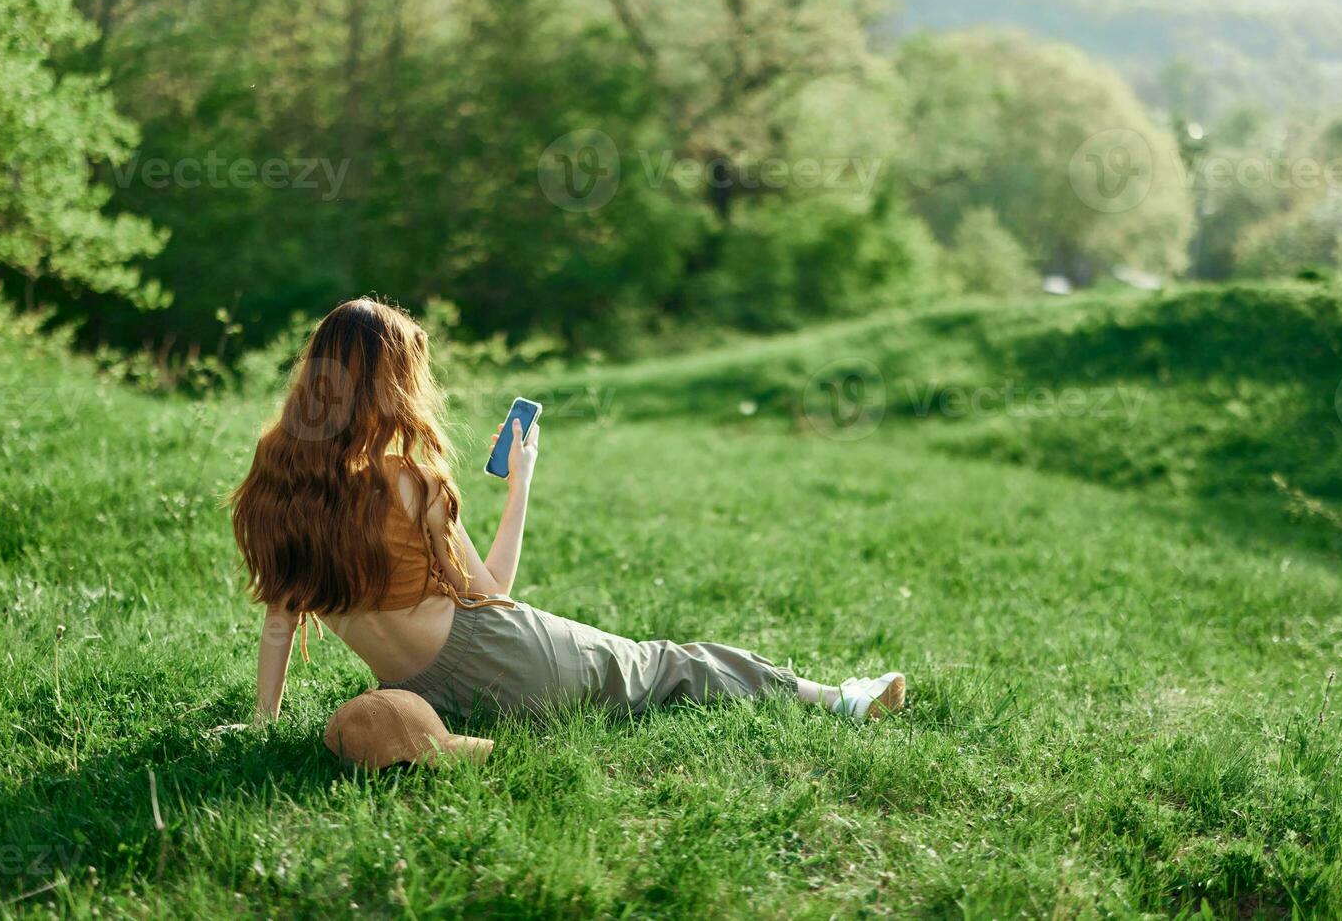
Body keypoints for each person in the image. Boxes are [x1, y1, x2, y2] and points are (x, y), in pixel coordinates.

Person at [230, 297, 906, 727]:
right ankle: (839, 700)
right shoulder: (410, 480)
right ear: (394, 383)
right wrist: (520, 483)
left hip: (433, 696)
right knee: (670, 664)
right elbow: (491, 594)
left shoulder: (275, 484)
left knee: (657, 675)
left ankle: (834, 698)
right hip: (500, 657)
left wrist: (264, 719)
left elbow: (279, 620)